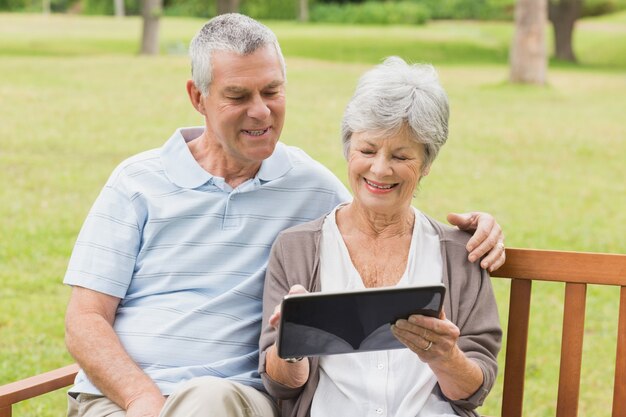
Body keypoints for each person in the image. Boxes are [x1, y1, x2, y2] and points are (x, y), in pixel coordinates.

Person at [63, 14, 504, 417]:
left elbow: (380, 201)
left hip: (229, 401)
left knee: (209, 400)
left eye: (272, 91)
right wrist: (142, 399)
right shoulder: (136, 182)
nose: (261, 111)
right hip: (124, 400)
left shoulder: (310, 186)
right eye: (238, 95)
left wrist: (479, 229)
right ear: (198, 97)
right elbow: (85, 320)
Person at [259, 57, 502, 417]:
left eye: (401, 156)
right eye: (367, 150)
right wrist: (293, 344)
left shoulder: (459, 253)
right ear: (348, 149)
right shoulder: (297, 249)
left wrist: (445, 357)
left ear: (427, 163)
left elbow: (473, 390)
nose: (380, 169)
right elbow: (281, 384)